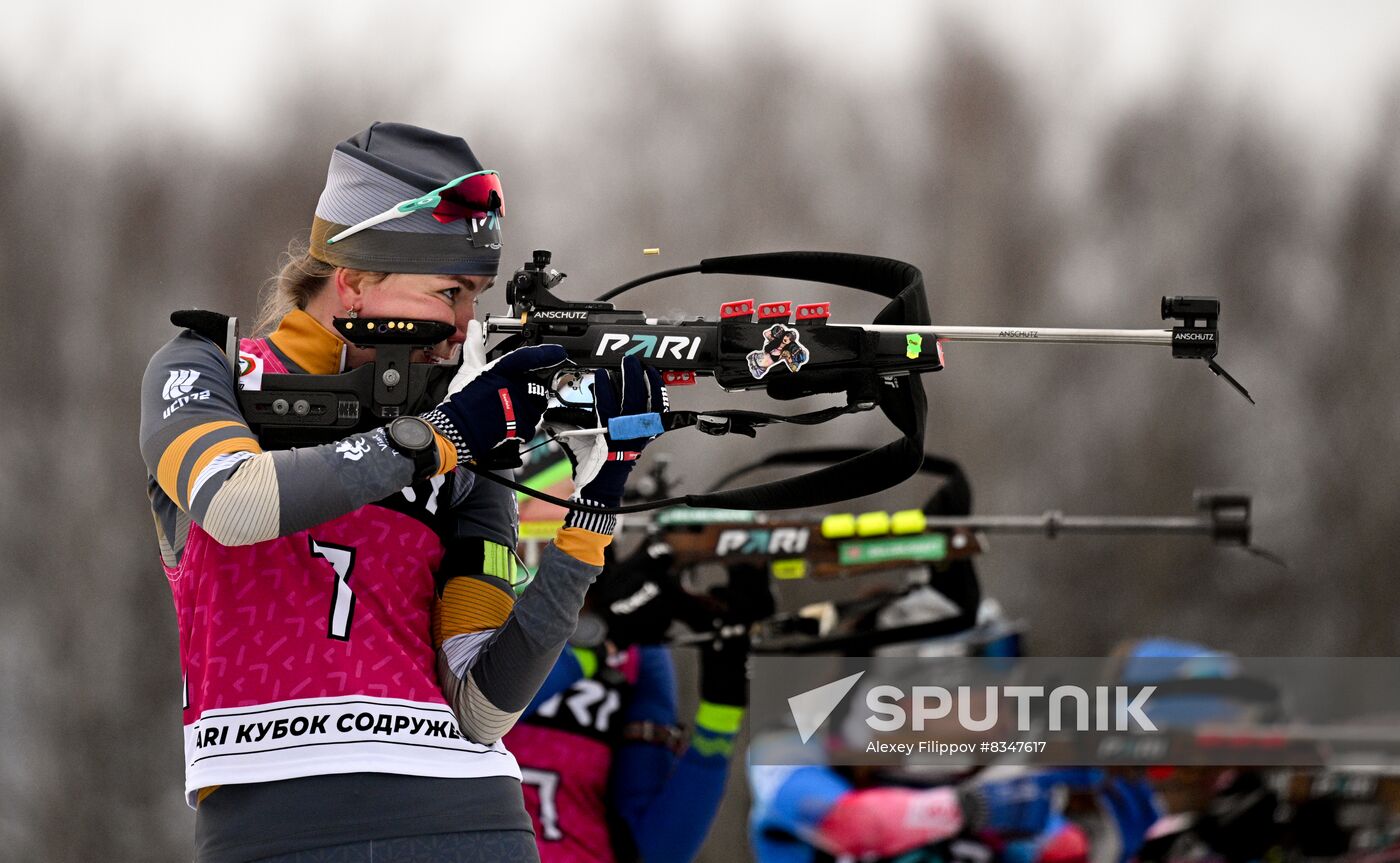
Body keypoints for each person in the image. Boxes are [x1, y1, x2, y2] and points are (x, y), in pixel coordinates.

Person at [139, 122, 664, 863]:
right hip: (278, 830)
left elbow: (482, 706)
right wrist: (438, 437)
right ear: (352, 278)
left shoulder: (461, 424)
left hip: (470, 813)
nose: (463, 328)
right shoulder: (211, 366)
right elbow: (234, 501)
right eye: (449, 292)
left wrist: (587, 520)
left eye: (475, 296)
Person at [503, 534, 769, 863]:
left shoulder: (637, 656)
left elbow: (653, 850)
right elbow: (468, 722)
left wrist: (722, 702)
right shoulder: (465, 615)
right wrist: (602, 641)